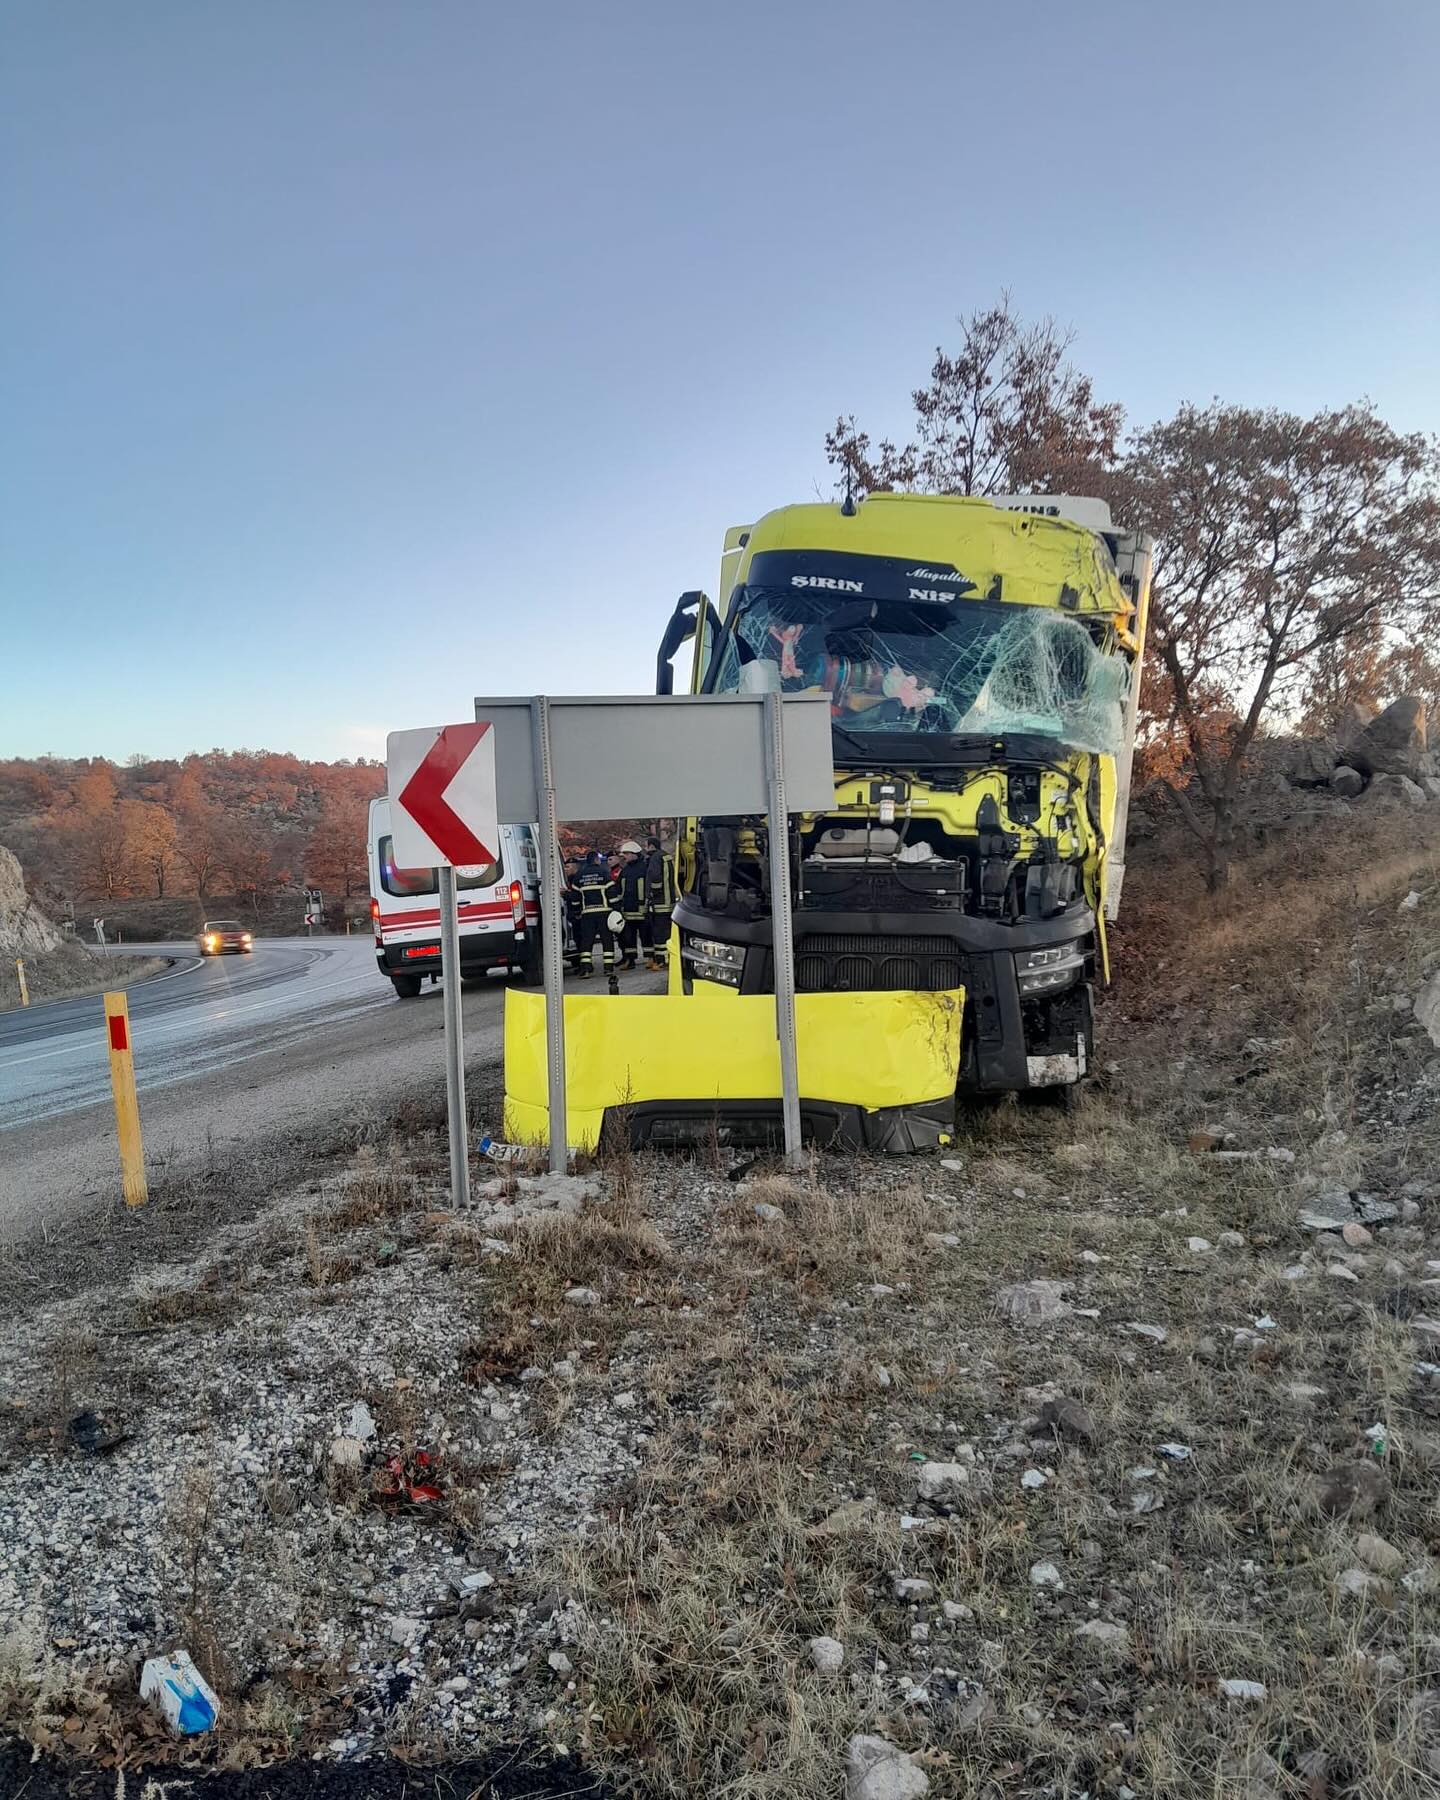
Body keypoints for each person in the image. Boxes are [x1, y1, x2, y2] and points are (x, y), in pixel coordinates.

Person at [568, 850, 619, 979]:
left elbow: (575, 897)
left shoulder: (579, 876)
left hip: (587, 914)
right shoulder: (604, 873)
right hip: (604, 912)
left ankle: (586, 969)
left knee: (587, 941)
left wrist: (576, 911)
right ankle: (608, 968)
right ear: (596, 860)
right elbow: (612, 894)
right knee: (607, 940)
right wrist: (616, 909)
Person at [614, 840, 650, 971]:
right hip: (628, 909)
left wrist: (646, 903)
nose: (625, 857)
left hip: (642, 909)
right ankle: (630, 960)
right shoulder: (625, 871)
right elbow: (618, 889)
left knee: (646, 935)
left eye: (627, 854)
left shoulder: (645, 868)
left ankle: (650, 958)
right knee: (628, 937)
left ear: (635, 853)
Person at [644, 834, 674, 971]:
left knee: (659, 933)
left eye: (646, 845)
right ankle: (668, 958)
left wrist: (652, 894)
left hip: (660, 903)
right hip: (670, 902)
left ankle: (662, 961)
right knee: (667, 932)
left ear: (651, 846)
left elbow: (655, 877)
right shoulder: (666, 856)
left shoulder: (655, 858)